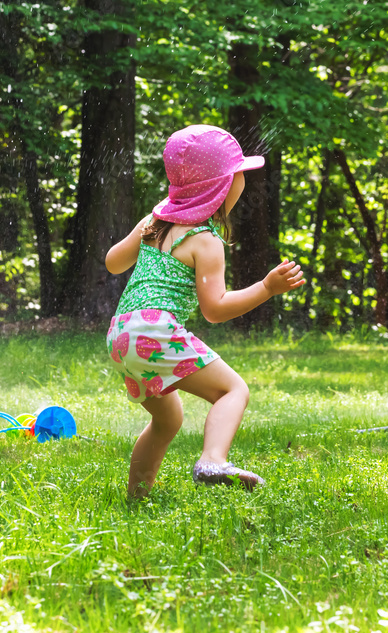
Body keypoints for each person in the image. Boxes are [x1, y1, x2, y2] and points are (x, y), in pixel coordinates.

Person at [105, 124, 305, 497]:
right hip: (154, 331)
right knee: (233, 390)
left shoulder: (152, 222)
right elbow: (214, 310)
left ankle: (136, 500)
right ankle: (213, 459)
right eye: (238, 174)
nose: (242, 180)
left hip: (120, 335)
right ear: (222, 186)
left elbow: (114, 262)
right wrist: (267, 287)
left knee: (168, 419)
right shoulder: (206, 240)